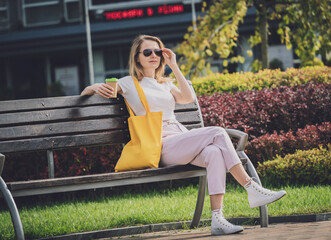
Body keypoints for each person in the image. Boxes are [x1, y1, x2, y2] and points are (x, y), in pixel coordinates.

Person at [81, 35, 286, 235]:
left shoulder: (166, 83)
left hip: (180, 136)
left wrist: (174, 65)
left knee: (214, 152)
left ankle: (217, 219)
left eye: (157, 51)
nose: (153, 55)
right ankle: (251, 187)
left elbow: (188, 98)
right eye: (147, 52)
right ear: (137, 57)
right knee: (218, 132)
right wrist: (92, 87)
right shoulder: (128, 83)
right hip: (159, 144)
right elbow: (87, 92)